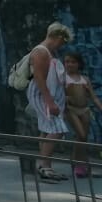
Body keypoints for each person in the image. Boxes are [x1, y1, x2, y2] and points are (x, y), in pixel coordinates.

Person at [27, 22, 74, 182]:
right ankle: (44, 166)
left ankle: (46, 166)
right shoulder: (41, 52)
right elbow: (39, 78)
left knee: (47, 129)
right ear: (57, 37)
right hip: (44, 95)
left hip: (49, 94)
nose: (62, 45)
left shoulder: (49, 51)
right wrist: (50, 102)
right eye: (62, 41)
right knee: (57, 129)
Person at [64, 50, 101, 179]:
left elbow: (93, 97)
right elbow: (58, 95)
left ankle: (78, 164)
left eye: (73, 62)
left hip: (84, 109)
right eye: (67, 62)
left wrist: (100, 107)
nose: (69, 64)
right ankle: (80, 164)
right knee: (81, 134)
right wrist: (65, 96)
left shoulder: (85, 79)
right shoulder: (63, 78)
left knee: (83, 139)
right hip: (71, 109)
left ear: (79, 64)